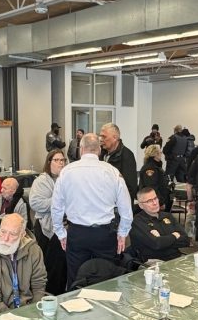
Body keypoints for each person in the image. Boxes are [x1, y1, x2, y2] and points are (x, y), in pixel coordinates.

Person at [51, 133, 133, 289]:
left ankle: (76, 309)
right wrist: (123, 233)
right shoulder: (112, 172)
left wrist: (61, 233)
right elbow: (126, 207)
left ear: (81, 149)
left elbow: (56, 207)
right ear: (99, 150)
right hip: (104, 235)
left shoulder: (67, 172)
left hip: (77, 234)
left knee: (76, 280)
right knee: (107, 279)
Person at [0, 213, 46, 317]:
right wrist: (15, 319)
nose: (5, 238)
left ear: (22, 235)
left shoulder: (34, 251)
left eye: (12, 234)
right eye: (3, 231)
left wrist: (35, 312)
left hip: (28, 310)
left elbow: (39, 284)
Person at [29, 150, 67, 295]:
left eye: (62, 160)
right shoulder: (41, 181)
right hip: (45, 228)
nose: (60, 163)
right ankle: (46, 294)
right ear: (49, 162)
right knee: (48, 265)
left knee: (60, 266)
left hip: (64, 228)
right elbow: (35, 203)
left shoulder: (66, 179)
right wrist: (59, 202)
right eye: (56, 160)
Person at [130, 187, 188, 262]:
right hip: (154, 262)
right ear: (141, 205)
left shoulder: (168, 216)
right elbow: (157, 244)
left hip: (176, 257)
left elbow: (185, 241)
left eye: (155, 198)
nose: (155, 203)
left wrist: (161, 238)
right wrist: (174, 235)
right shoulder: (137, 222)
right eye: (149, 201)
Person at [99, 123, 138, 202]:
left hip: (118, 205)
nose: (101, 139)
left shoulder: (127, 155)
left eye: (104, 136)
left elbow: (130, 187)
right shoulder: (100, 154)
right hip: (103, 203)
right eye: (100, 136)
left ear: (115, 137)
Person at [138, 144, 171, 210]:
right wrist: (160, 203)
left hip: (158, 201)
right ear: (155, 154)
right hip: (154, 203)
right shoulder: (150, 168)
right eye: (160, 152)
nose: (161, 153)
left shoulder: (156, 166)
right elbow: (151, 188)